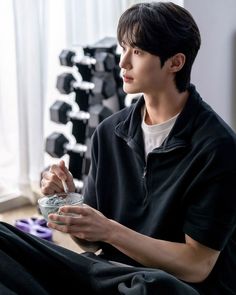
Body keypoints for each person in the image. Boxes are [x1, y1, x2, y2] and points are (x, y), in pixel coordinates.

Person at [0, 2, 235, 294]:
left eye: (137, 51)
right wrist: (71, 205)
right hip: (108, 275)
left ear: (175, 62)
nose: (123, 62)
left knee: (155, 285)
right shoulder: (109, 133)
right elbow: (93, 244)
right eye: (123, 47)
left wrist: (110, 229)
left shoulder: (217, 146)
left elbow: (197, 265)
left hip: (170, 286)